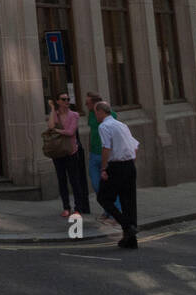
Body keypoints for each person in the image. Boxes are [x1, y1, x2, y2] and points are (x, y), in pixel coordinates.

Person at [94, 101, 140, 249]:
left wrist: (103, 168)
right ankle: (131, 240)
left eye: (96, 112)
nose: (95, 115)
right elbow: (135, 146)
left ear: (101, 112)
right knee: (129, 202)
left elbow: (106, 147)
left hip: (116, 167)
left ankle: (127, 225)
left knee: (103, 198)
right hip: (129, 165)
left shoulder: (104, 126)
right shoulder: (122, 125)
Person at [47, 93, 90, 218]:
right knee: (62, 180)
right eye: (63, 99)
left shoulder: (74, 115)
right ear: (58, 101)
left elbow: (71, 132)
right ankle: (66, 207)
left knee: (74, 180)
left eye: (68, 99)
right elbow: (50, 126)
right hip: (58, 152)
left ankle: (78, 207)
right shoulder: (56, 114)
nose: (66, 101)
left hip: (71, 152)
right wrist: (53, 109)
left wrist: (57, 131)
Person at [84, 91, 121, 223]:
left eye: (87, 102)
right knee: (96, 184)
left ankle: (115, 213)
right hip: (94, 154)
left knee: (110, 185)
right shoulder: (91, 115)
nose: (85, 104)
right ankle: (107, 209)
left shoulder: (110, 115)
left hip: (107, 154)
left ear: (95, 103)